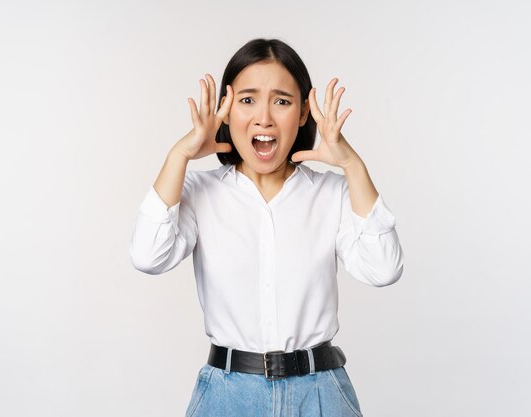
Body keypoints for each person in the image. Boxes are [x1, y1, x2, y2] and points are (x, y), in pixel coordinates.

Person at [129, 38, 404, 417]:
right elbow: (148, 257)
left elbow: (384, 269)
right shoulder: (199, 191)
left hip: (320, 392)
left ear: (304, 111)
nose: (264, 118)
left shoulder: (333, 193)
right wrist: (180, 154)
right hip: (227, 395)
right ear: (225, 110)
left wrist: (353, 166)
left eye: (281, 101)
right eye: (247, 100)